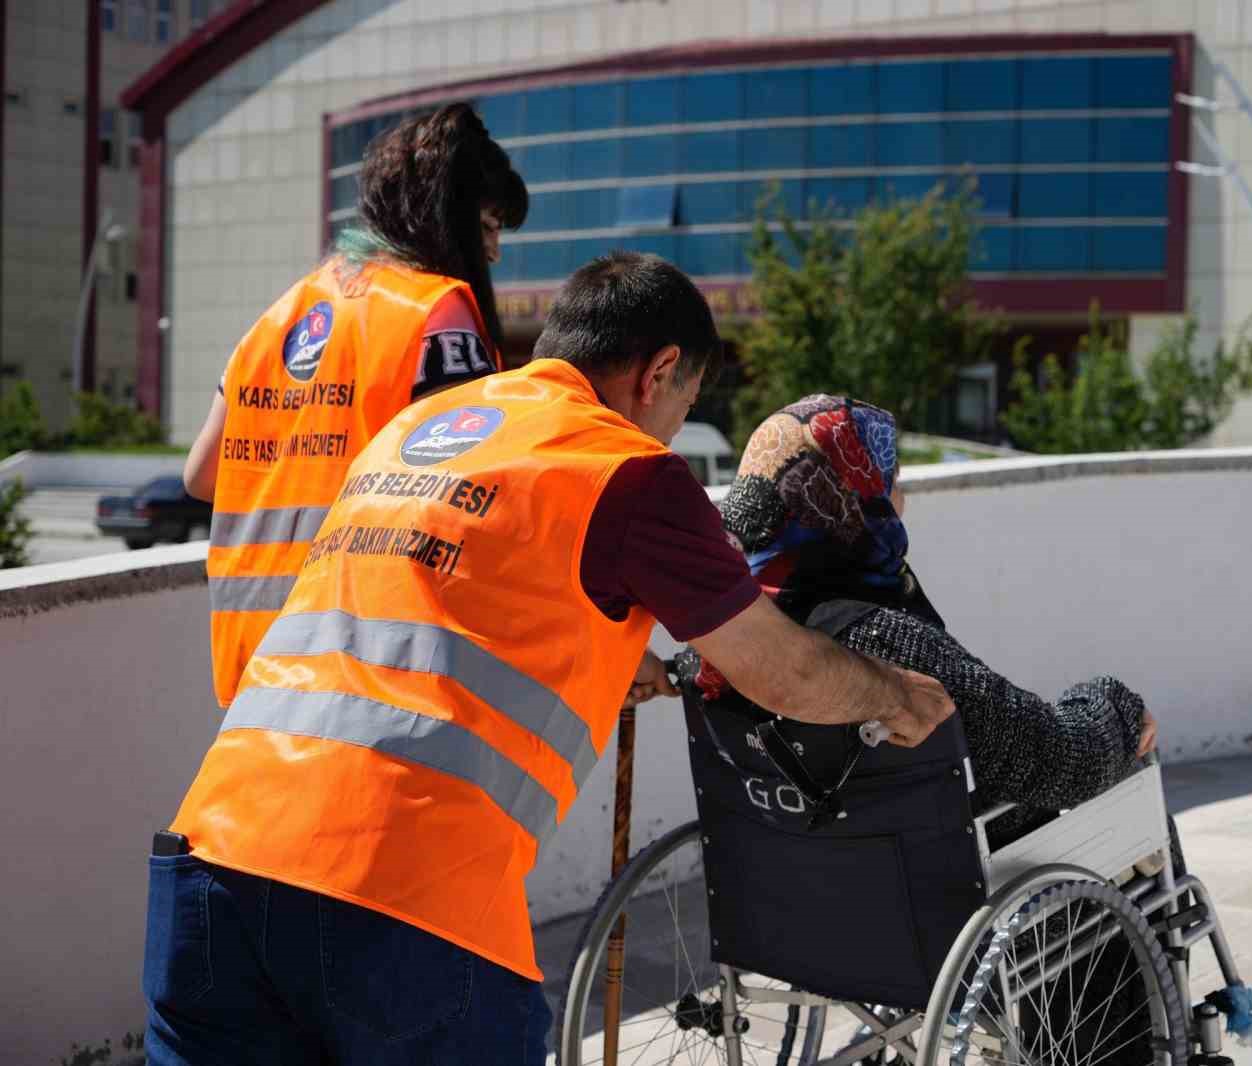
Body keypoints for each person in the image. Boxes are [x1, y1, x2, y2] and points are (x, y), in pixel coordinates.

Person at [143, 254, 955, 1066]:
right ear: (660, 371)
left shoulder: (416, 429)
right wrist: (893, 696)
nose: (675, 423)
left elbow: (433, 600)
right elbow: (783, 672)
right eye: (685, 401)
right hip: (401, 904)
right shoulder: (627, 471)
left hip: (213, 865)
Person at [677, 394, 1163, 1066]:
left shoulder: (721, 646)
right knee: (1121, 791)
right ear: (855, 501)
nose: (900, 500)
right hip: (925, 914)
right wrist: (1113, 703)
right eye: (892, 483)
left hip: (794, 913)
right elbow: (1055, 760)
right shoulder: (886, 643)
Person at [183, 101, 527, 711]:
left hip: (251, 664)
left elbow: (204, 475)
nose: (495, 253)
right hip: (361, 661)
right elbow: (471, 499)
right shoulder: (435, 313)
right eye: (491, 227)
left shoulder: (280, 314)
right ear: (450, 217)